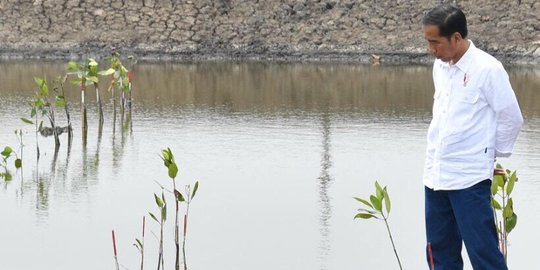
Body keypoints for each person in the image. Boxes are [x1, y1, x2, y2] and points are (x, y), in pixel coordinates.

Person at [422, 4, 523, 270]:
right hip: (435, 175)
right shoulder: (439, 67)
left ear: (456, 37)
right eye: (428, 42)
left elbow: (511, 117)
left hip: (469, 178)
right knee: (439, 253)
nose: (431, 49)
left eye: (435, 43)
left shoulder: (488, 69)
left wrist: (489, 156)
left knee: (484, 253)